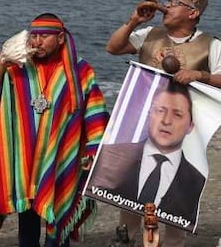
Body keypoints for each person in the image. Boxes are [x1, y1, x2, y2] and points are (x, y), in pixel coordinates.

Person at [0, 14, 108, 247]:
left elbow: (94, 107)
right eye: (34, 36)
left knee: (58, 200)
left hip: (64, 151)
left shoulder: (79, 70)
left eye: (44, 36)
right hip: (24, 151)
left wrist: (93, 147)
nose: (37, 41)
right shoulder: (18, 67)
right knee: (27, 203)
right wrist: (3, 63)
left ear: (60, 38)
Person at [105, 0, 218, 247]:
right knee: (132, 184)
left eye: (174, 3)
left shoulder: (210, 45)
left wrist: (200, 74)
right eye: (167, 2)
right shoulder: (150, 35)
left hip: (184, 128)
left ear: (193, 13)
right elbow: (114, 47)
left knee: (176, 189)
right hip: (143, 122)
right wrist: (134, 21)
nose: (167, 6)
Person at [88, 81, 205, 226]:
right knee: (126, 226)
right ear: (149, 115)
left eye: (177, 115)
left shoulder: (197, 180)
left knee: (176, 231)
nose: (166, 121)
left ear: (190, 126)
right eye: (160, 111)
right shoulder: (112, 156)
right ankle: (125, 244)